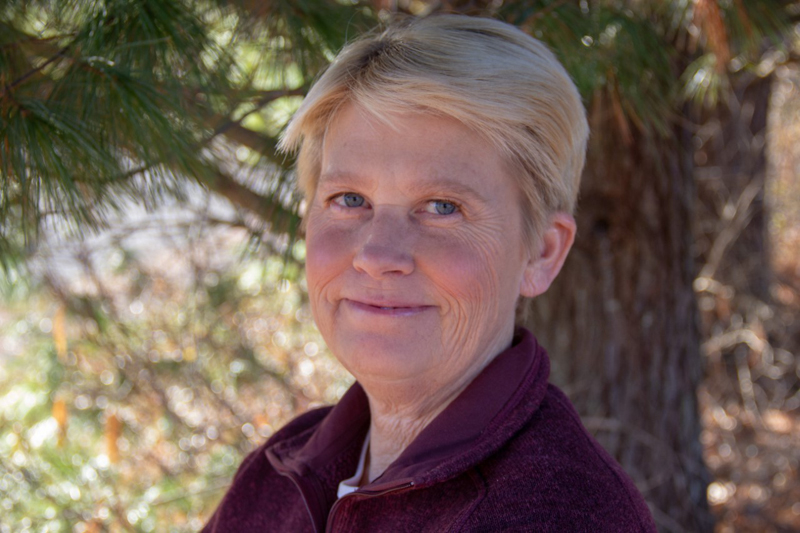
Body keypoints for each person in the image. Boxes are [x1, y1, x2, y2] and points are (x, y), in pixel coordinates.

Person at [202, 14, 657, 532]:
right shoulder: (275, 476)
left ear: (541, 254)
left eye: (442, 207)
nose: (377, 254)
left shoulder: (563, 516)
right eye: (349, 199)